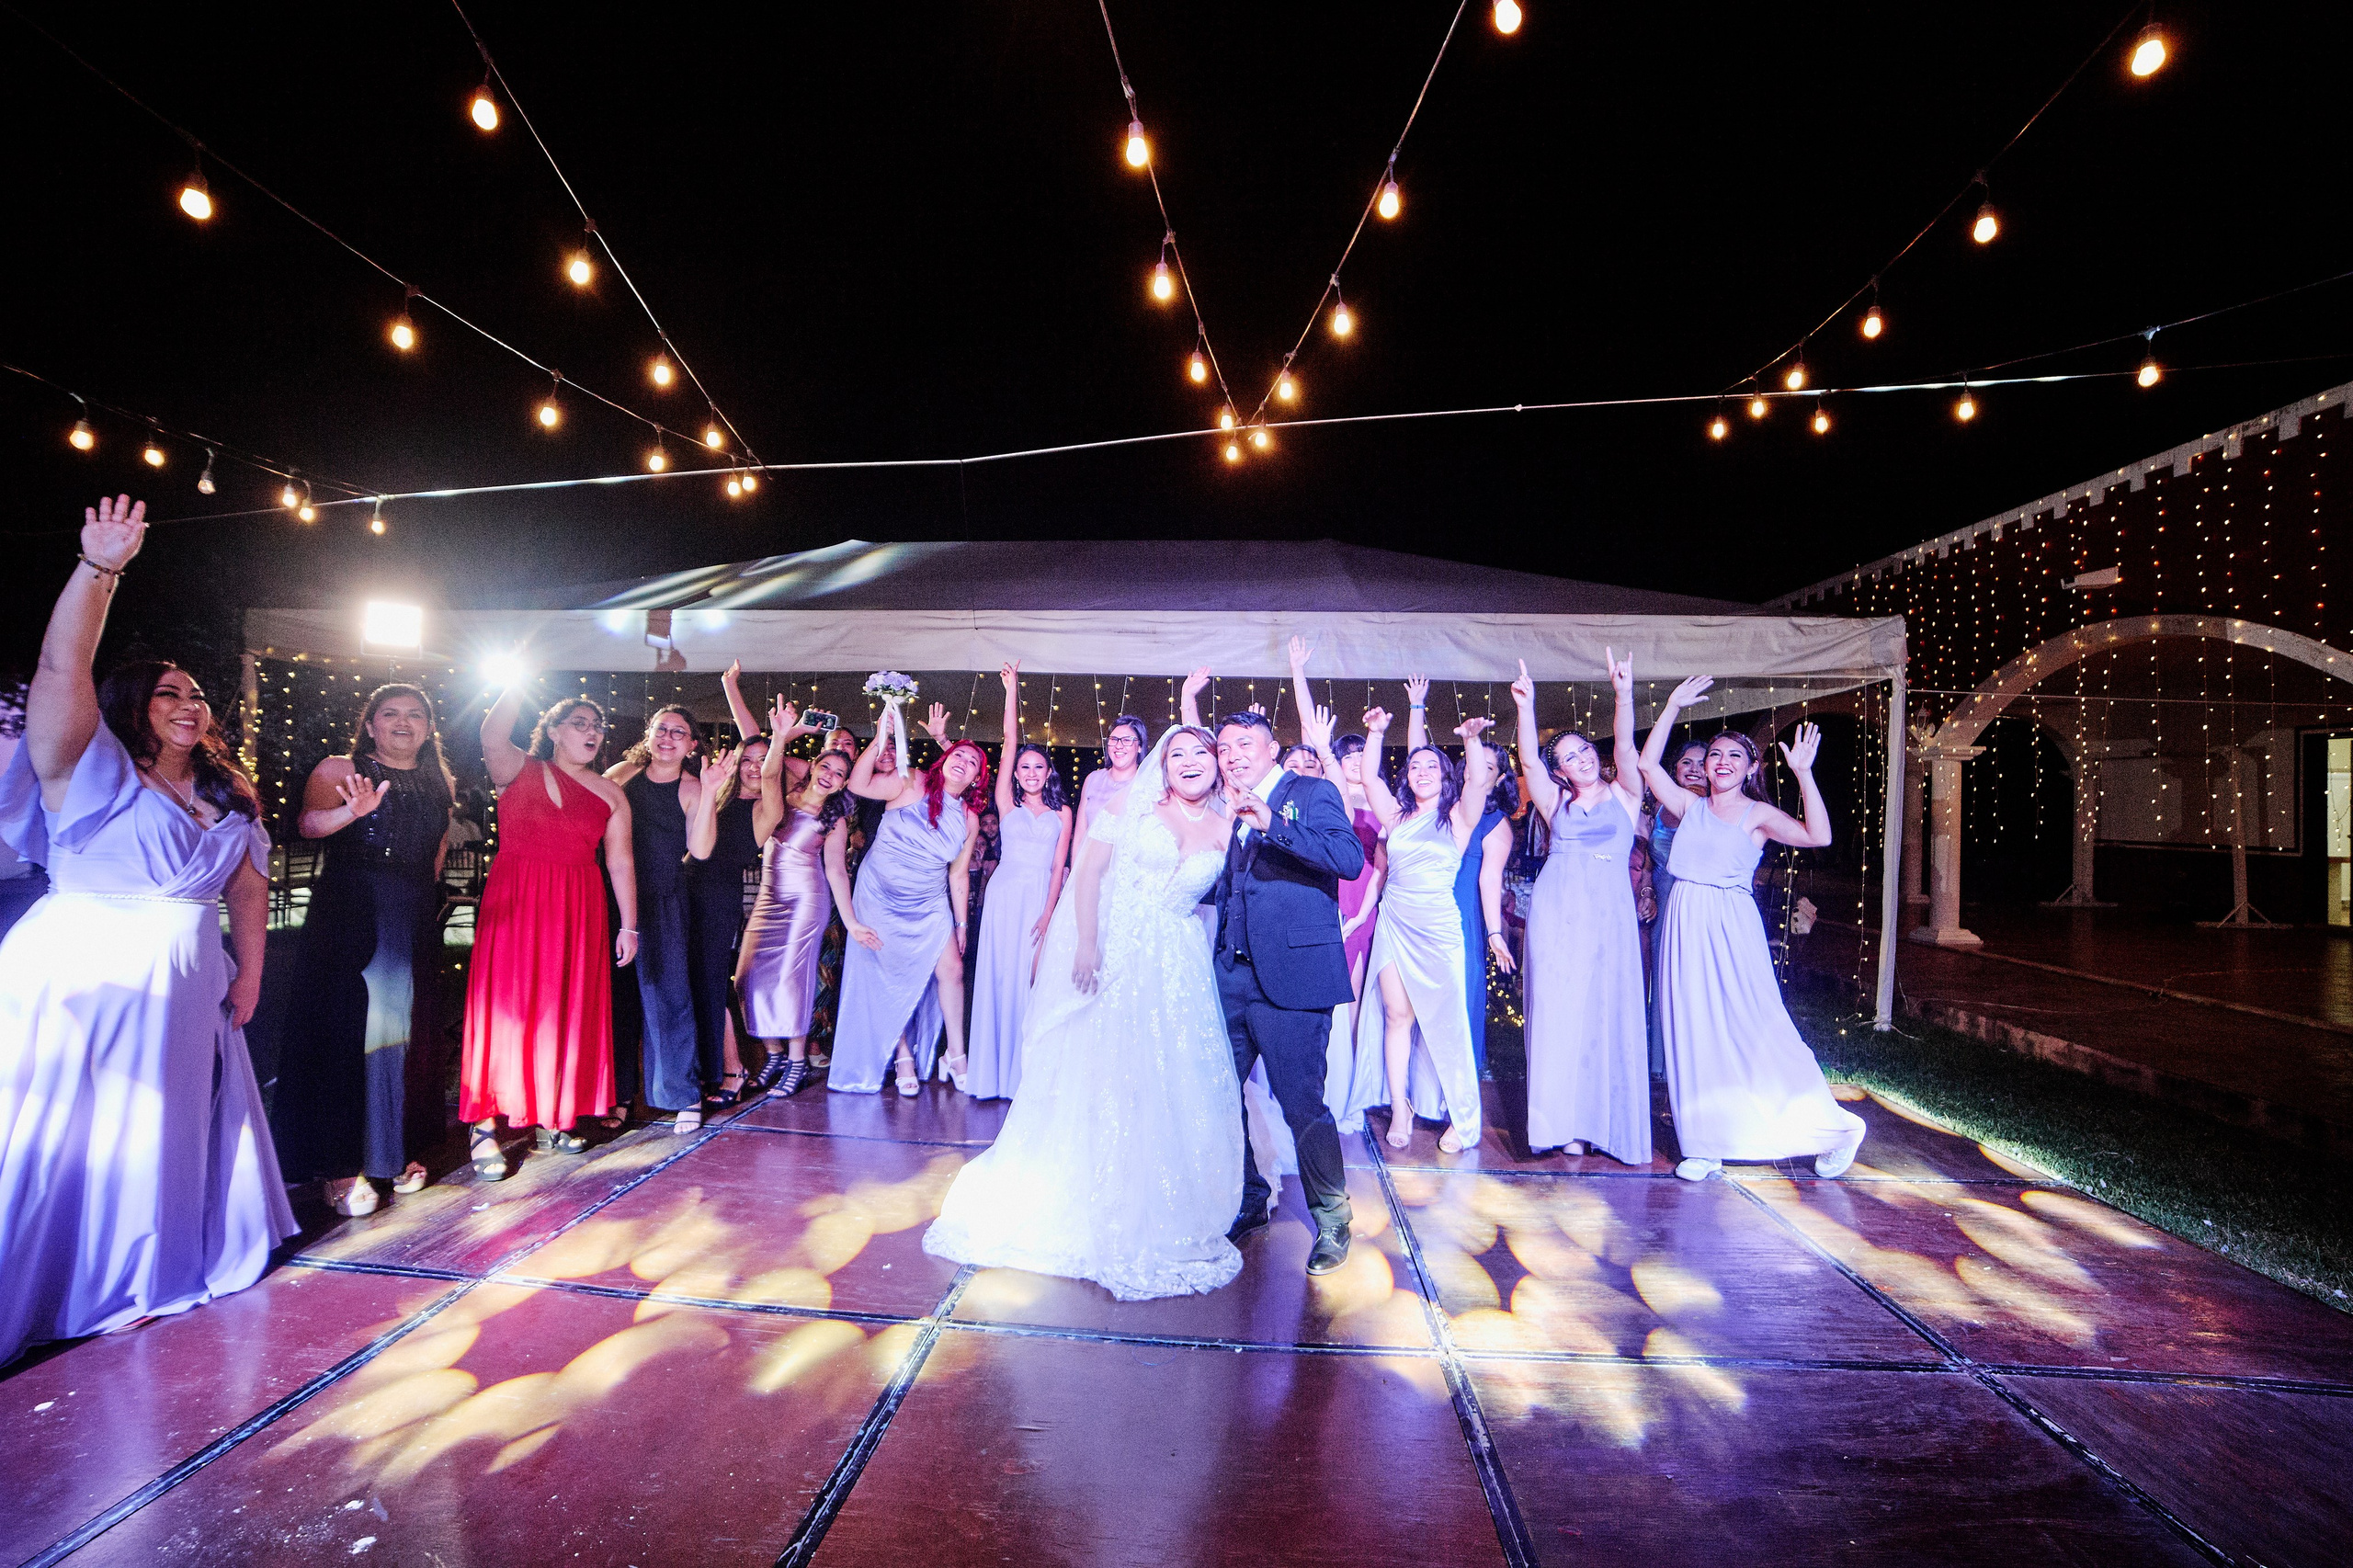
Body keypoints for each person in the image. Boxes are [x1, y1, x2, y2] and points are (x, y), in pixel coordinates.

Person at [0, 495, 293, 1368]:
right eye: (168, 691)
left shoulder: (226, 795)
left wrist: (249, 976)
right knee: (74, 1130)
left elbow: (247, 890)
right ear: (131, 702)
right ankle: (65, 1279)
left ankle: (142, 1273)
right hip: (88, 973)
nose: (189, 703)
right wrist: (101, 571)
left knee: (159, 1132)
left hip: (189, 979)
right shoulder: (88, 770)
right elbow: (60, 669)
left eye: (198, 693)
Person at [926, 725, 1243, 1299]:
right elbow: (1090, 873)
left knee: (1166, 1076)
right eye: (1177, 754)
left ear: (1217, 765)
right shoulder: (1133, 803)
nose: (1189, 762)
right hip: (1118, 948)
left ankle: (1157, 1193)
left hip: (1178, 963)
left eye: (1201, 753)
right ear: (1161, 766)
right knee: (1106, 1068)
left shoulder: (1229, 826)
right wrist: (1088, 942)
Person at [1638, 674, 1862, 1182]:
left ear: (1750, 767)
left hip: (1729, 926)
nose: (1720, 763)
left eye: (1733, 757)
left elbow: (1818, 836)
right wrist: (1672, 704)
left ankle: (1836, 1129)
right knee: (1688, 1027)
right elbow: (1648, 763)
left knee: (1756, 1026)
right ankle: (1705, 1142)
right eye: (1714, 755)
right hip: (1682, 925)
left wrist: (1803, 773)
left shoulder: (1757, 813)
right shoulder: (1688, 808)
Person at [271, 684, 455, 1215]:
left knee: (402, 1035)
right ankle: (338, 1161)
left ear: (428, 727)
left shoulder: (439, 778)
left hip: (412, 912)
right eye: (390, 714)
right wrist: (352, 813)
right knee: (347, 1031)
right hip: (352, 912)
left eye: (415, 715)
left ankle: (390, 1152)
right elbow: (307, 825)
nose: (403, 723)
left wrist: (423, 901)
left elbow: (437, 847)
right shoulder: (339, 768)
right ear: (370, 724)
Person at [1211, 709, 1365, 1276]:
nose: (1232, 755)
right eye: (1223, 747)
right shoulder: (1222, 806)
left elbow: (1348, 860)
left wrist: (1274, 820)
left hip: (1295, 980)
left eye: (1244, 744)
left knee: (1302, 1104)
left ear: (1272, 749)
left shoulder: (1311, 791)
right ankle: (1250, 1198)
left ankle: (1332, 1216)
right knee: (1219, 1095)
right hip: (1231, 976)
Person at [460, 687, 638, 1179]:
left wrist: (630, 925)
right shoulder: (516, 767)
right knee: (506, 1008)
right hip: (516, 897)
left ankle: (554, 1115)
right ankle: (483, 1126)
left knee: (564, 1007)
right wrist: (514, 676)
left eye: (597, 727)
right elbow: (490, 732)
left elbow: (620, 861)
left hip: (579, 902)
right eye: (580, 723)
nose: (592, 733)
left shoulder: (610, 793)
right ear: (554, 731)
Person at [1511, 654, 1651, 1164]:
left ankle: (1601, 1120)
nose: (1582, 758)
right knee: (1559, 1013)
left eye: (1584, 749)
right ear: (1560, 771)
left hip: (1608, 913)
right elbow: (1528, 762)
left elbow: (1627, 747)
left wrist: (1623, 695)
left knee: (1603, 1012)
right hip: (1558, 910)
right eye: (1569, 757)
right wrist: (1526, 708)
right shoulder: (1555, 804)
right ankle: (1563, 1123)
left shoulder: (1626, 794)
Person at [1356, 704, 1496, 1154]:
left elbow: (1478, 781)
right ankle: (1401, 1107)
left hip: (1437, 929)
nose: (1421, 772)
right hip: (1395, 922)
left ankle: (1461, 1116)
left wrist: (1471, 740)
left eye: (1431, 765)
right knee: (1398, 1018)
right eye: (1414, 766)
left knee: (1448, 1025)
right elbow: (1370, 779)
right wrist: (1377, 733)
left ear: (1444, 775)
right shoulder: (1396, 818)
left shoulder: (1457, 817)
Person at [830, 716, 987, 1095]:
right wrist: (882, 735)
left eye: (972, 761)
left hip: (930, 901)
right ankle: (902, 1055)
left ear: (975, 779)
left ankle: (956, 1053)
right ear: (944, 758)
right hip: (879, 896)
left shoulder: (969, 819)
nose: (962, 761)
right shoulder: (911, 780)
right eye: (958, 754)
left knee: (951, 970)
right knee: (888, 972)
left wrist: (962, 925)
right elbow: (857, 783)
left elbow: (958, 875)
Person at [734, 699, 855, 1098]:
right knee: (747, 977)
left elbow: (836, 870)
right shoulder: (784, 792)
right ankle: (774, 1053)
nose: (831, 776)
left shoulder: (834, 818)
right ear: (815, 765)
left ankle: (798, 1060)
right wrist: (785, 733)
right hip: (769, 897)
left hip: (807, 901)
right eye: (827, 767)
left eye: (840, 774)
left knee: (792, 981)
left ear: (842, 784)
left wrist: (851, 921)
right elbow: (768, 769)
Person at [967, 662, 1073, 1100]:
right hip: (1004, 897)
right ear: (1016, 774)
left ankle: (1027, 1076)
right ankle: (992, 1077)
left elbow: (1059, 867)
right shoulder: (1005, 805)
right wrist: (1011, 691)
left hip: (1039, 900)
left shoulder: (1063, 813)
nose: (1030, 772)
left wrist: (1050, 913)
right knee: (999, 978)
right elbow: (1009, 742)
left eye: (1039, 767)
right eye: (1025, 767)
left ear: (1049, 773)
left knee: (1033, 981)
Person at [605, 706, 712, 1131]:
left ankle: (683, 1095)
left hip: (662, 899)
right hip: (613, 893)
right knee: (618, 999)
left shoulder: (691, 788)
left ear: (691, 745)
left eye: (679, 732)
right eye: (661, 729)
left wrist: (709, 788)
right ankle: (618, 1095)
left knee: (668, 996)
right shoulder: (623, 773)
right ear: (648, 734)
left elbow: (700, 850)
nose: (668, 738)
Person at [687, 732, 768, 1107]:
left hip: (719, 895)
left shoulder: (771, 804)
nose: (755, 766)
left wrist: (786, 734)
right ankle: (711, 1068)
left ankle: (734, 1070)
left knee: (714, 982)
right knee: (694, 983)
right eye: (747, 758)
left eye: (763, 758)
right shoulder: (721, 794)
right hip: (686, 888)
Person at [1640, 739, 1710, 1076]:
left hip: (1696, 906)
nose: (1694, 769)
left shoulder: (1712, 808)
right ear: (1675, 769)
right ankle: (1660, 1065)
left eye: (1702, 762)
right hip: (1664, 905)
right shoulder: (1658, 809)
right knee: (1663, 979)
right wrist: (1649, 892)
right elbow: (1651, 862)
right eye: (1687, 763)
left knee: (1693, 981)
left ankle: (1692, 1066)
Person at [1077, 712, 1150, 839]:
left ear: (1139, 746)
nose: (1118, 746)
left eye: (1127, 740)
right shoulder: (1093, 779)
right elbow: (1080, 833)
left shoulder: (1146, 784)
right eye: (1114, 739)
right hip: (1089, 858)